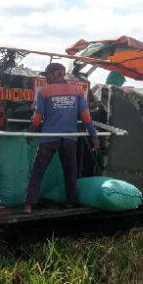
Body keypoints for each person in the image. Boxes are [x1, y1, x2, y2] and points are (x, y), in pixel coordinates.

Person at [23, 63, 100, 214]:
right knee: (70, 172)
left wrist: (31, 132)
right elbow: (86, 116)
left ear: (52, 75)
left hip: (49, 138)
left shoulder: (45, 91)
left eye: (47, 76)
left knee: (38, 172)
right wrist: (94, 136)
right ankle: (72, 203)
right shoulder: (77, 91)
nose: (46, 79)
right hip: (70, 139)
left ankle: (28, 205)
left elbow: (37, 117)